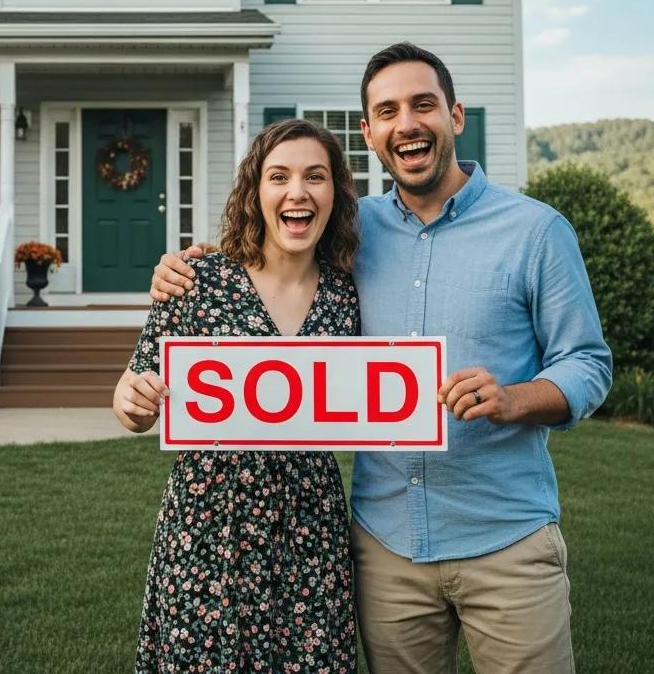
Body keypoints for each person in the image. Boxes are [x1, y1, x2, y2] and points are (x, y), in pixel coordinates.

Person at [150, 43, 612, 674]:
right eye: (387, 111)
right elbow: (276, 240)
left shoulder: (536, 230)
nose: (407, 124)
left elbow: (587, 362)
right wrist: (197, 266)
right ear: (368, 133)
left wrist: (513, 398)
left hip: (504, 539)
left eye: (423, 105)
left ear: (455, 115)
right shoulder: (350, 228)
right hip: (387, 546)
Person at [113, 119, 361, 673]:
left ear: (335, 194)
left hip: (310, 529)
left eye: (315, 177)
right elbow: (134, 389)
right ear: (256, 192)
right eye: (279, 177)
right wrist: (132, 401)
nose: (297, 192)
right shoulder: (197, 280)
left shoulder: (349, 293)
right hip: (208, 527)